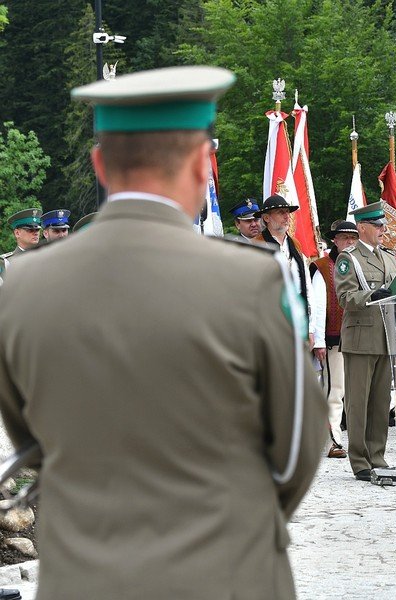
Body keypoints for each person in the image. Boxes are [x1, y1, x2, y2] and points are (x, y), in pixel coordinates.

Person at [0, 65, 326, 600]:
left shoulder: (25, 284)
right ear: (201, 165)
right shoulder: (252, 278)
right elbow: (297, 445)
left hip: (86, 573)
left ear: (100, 164)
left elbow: (31, 438)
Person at [334, 201, 396, 481]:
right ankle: (360, 460)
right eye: (377, 225)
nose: (383, 229)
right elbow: (345, 297)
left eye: (383, 225)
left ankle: (377, 455)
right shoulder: (348, 258)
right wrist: (372, 295)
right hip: (361, 337)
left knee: (381, 401)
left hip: (385, 336)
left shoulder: (390, 258)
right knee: (358, 402)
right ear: (362, 228)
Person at [310, 220, 359, 459]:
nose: (349, 242)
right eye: (345, 237)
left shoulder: (359, 264)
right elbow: (318, 306)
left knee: (352, 391)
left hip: (358, 336)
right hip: (333, 338)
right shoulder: (321, 267)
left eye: (353, 238)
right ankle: (333, 441)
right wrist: (319, 341)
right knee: (334, 389)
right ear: (335, 240)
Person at [255, 194, 317, 346]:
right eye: (280, 212)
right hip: (270, 321)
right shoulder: (257, 245)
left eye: (287, 212)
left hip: (298, 319)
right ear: (266, 218)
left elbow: (307, 286)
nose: (286, 216)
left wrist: (310, 328)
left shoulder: (295, 244)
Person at [0, 208, 42, 277]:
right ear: (17, 233)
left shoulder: (46, 257)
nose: (36, 233)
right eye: (30, 230)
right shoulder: (5, 262)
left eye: (37, 230)